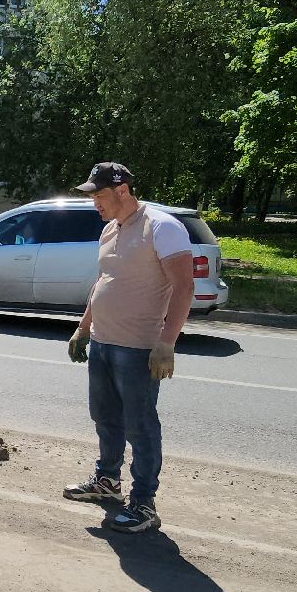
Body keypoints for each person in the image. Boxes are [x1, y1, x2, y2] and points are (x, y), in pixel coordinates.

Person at [61, 162, 194, 534]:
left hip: (139, 347)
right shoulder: (110, 229)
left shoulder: (162, 227)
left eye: (99, 196)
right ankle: (107, 482)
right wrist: (83, 327)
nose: (95, 204)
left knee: (141, 426)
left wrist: (167, 342)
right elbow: (105, 279)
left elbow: (184, 288)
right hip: (103, 341)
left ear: (122, 191)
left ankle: (144, 504)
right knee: (105, 418)